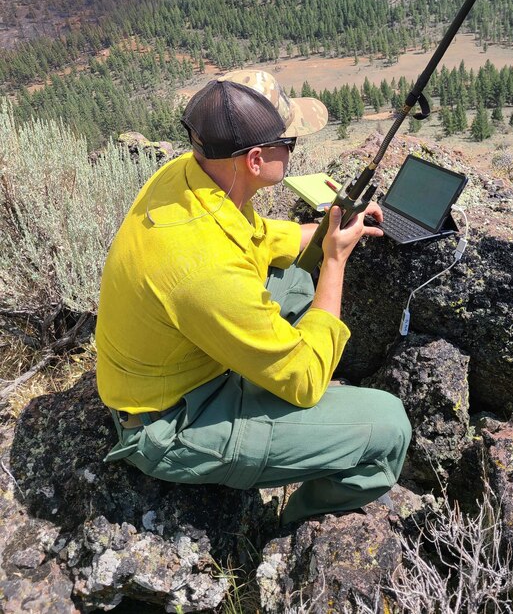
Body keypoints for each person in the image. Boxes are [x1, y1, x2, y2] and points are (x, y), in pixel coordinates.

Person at [96, 69, 412, 525]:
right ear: (256, 160)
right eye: (292, 145)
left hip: (173, 368)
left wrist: (321, 234)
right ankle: (291, 526)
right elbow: (305, 382)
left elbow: (254, 237)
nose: (293, 153)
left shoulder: (186, 175)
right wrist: (336, 262)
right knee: (388, 427)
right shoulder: (203, 268)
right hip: (171, 424)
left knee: (300, 284)